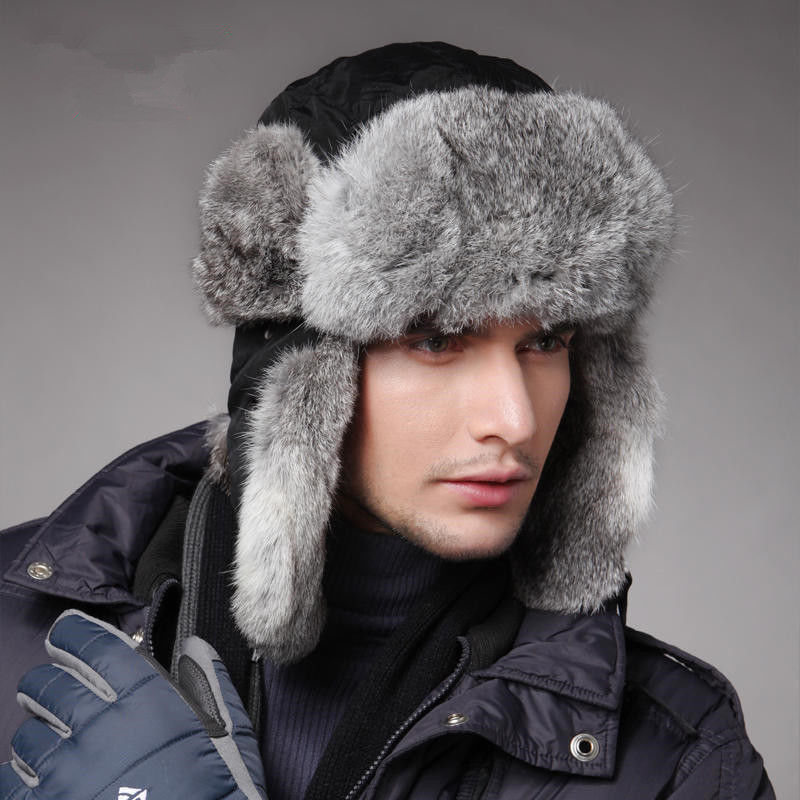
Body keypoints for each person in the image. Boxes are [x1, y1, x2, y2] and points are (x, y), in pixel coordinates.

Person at [0, 41, 775, 799]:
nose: (513, 419)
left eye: (546, 341)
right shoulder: (15, 631)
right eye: (436, 340)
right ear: (298, 372)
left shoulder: (674, 760)